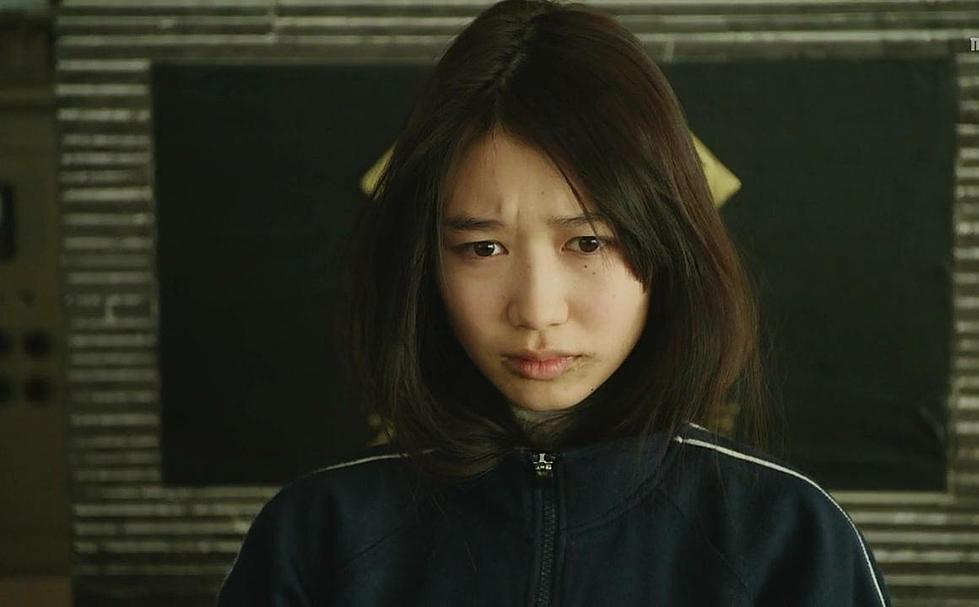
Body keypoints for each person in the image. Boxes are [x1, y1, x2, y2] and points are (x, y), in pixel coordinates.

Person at [217, 1, 892, 605]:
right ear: (425, 265)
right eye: (483, 248)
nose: (537, 311)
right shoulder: (318, 536)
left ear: (668, 246)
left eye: (588, 242)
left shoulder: (789, 539)